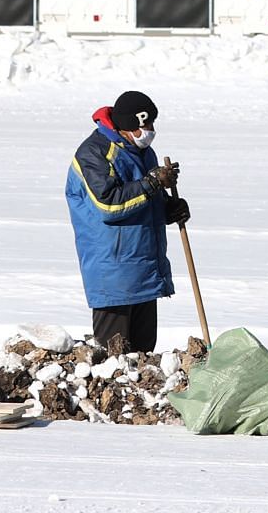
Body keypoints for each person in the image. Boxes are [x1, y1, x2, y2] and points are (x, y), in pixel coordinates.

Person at [65, 90, 190, 353]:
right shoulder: (94, 154)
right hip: (114, 274)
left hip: (144, 271)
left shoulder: (144, 153)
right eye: (145, 126)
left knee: (143, 359)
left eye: (152, 124)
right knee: (115, 359)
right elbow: (109, 205)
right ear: (127, 125)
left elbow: (144, 202)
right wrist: (153, 182)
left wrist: (170, 208)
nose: (150, 131)